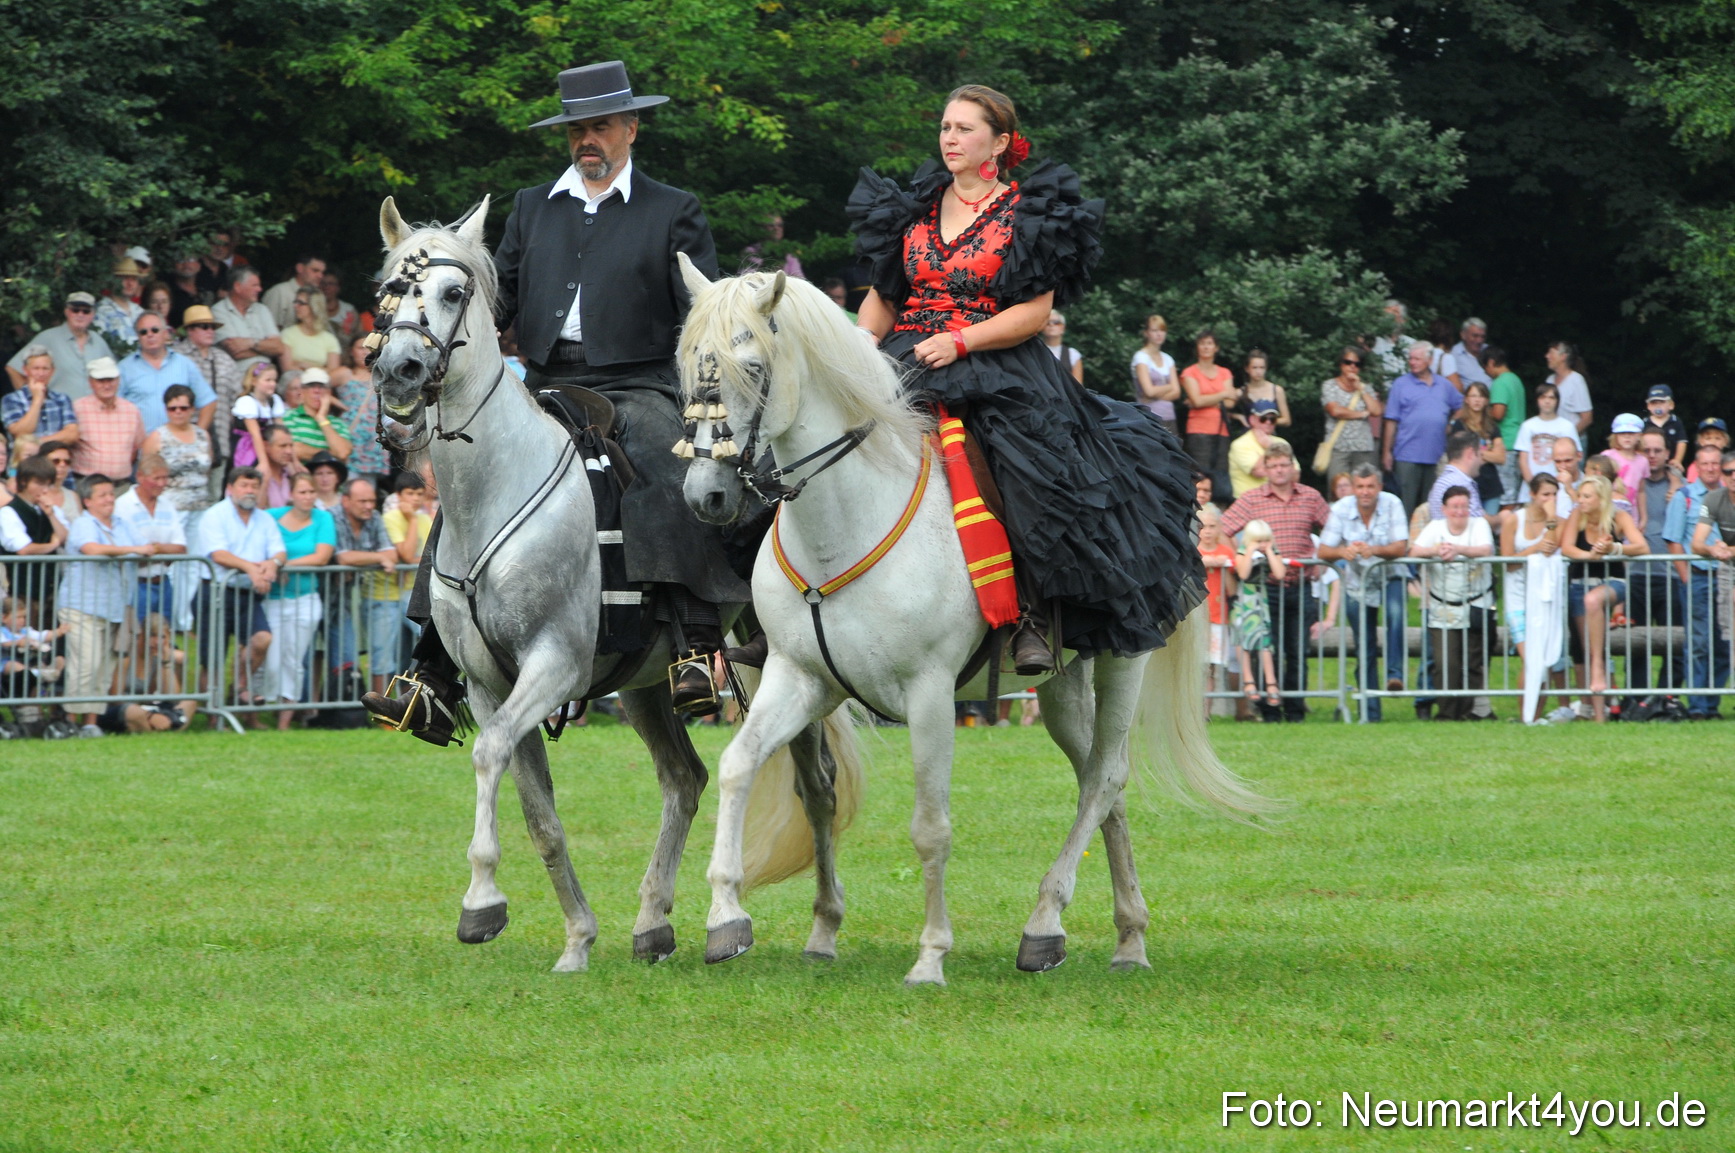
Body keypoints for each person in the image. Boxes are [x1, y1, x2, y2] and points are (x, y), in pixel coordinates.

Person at [364, 59, 752, 728]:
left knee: (663, 465)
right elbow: (496, 302)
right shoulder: (532, 205)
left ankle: (694, 642)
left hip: (639, 382)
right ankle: (431, 668)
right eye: (577, 130)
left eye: (600, 126)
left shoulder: (673, 209)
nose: (587, 140)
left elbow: (702, 312)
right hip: (545, 383)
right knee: (465, 479)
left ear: (631, 128)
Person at [847, 81, 1203, 679]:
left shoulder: (1030, 213)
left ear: (999, 143)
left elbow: (1035, 313)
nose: (950, 138)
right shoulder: (911, 207)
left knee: (1023, 465)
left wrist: (961, 340)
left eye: (964, 129)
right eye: (945, 127)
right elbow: (884, 298)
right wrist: (859, 344)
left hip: (995, 360)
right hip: (904, 354)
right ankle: (780, 615)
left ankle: (1030, 615)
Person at [1219, 442, 1329, 721]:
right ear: (1265, 470)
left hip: (1301, 585)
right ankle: (1269, 710)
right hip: (1265, 588)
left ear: (1292, 467)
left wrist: (1321, 559)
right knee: (1268, 648)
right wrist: (1240, 558)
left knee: (1298, 649)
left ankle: (1295, 709)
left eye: (1283, 465)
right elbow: (1223, 529)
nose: (1279, 470)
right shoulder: (1251, 499)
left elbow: (1332, 529)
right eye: (1273, 466)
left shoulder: (1311, 497)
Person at [1317, 463, 1411, 720]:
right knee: (1364, 643)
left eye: (1370, 486)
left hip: (1391, 575)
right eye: (1360, 486)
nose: (1365, 492)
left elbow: (1400, 547)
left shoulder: (1392, 503)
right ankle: (1370, 711)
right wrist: (1343, 551)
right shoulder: (1341, 508)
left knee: (1395, 614)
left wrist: (1374, 550)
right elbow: (1323, 550)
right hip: (1357, 582)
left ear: (1379, 487)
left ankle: (1394, 675)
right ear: (1353, 488)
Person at [59, 475, 151, 736]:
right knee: (85, 666)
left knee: (103, 669)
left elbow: (146, 548)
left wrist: (137, 549)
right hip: (82, 605)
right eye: (103, 495)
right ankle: (69, 723)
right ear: (87, 501)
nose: (110, 499)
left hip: (116, 606)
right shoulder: (83, 524)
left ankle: (90, 723)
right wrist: (132, 550)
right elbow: (92, 549)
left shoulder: (123, 524)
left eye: (111, 494)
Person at [1560, 475, 1648, 721]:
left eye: (1587, 496)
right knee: (1588, 646)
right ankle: (1600, 716)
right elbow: (1567, 547)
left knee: (1593, 600)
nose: (1581, 500)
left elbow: (1642, 547)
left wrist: (1613, 549)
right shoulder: (1577, 516)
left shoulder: (1619, 517)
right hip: (1580, 583)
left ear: (1601, 499)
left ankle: (1599, 666)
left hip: (1612, 582)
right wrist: (1589, 556)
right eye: (1580, 495)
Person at [196, 468, 284, 706]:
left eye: (254, 486)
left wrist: (273, 564)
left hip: (248, 594)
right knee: (213, 657)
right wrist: (251, 569)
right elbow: (218, 554)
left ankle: (238, 688)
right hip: (215, 592)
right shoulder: (215, 515)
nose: (250, 491)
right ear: (230, 488)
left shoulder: (265, 519)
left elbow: (279, 551)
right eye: (244, 485)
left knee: (262, 639)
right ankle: (212, 714)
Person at [1409, 486, 1494, 720]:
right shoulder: (1435, 527)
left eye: (1464, 506)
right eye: (1455, 506)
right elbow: (1414, 551)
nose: (1459, 511)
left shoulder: (1479, 524)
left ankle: (1468, 711)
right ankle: (1447, 712)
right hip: (1443, 605)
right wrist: (1436, 550)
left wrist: (1458, 549)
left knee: (1473, 661)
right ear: (1444, 509)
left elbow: (1486, 549)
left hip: (1476, 602)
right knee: (1446, 662)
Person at [265, 472, 336, 730]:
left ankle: (284, 719)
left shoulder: (323, 518)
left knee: (293, 660)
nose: (307, 497)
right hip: (272, 598)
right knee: (271, 660)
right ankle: (259, 710)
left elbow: (321, 557)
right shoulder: (271, 516)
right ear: (291, 494)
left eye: (311, 492)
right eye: (302, 492)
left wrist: (282, 565)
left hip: (305, 598)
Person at [113, 454, 188, 695]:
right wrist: (159, 551)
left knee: (163, 638)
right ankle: (130, 692)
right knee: (136, 639)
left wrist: (152, 549)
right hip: (135, 583)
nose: (162, 483)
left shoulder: (167, 505)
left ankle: (159, 692)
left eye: (165, 478)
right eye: (156, 478)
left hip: (162, 581)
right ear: (140, 477)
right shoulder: (123, 505)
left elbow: (181, 548)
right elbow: (127, 550)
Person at [1501, 473, 1573, 723]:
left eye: (1554, 495)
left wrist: (1551, 520)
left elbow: (1550, 549)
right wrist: (1532, 549)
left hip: (1545, 597)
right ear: (1532, 494)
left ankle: (1533, 716)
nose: (1550, 499)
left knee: (1542, 660)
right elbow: (1508, 561)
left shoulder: (1560, 522)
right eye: (1545, 494)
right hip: (1518, 596)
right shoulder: (1514, 520)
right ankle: (1526, 715)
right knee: (1531, 658)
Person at [1668, 441, 1730, 718]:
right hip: (1698, 577)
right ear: (1696, 466)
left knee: (1724, 644)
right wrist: (1686, 578)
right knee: (1699, 643)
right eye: (1704, 463)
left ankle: (1712, 703)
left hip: (1727, 579)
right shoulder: (1685, 496)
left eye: (1715, 463)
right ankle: (1697, 706)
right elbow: (1674, 540)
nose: (1710, 468)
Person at [1625, 428, 1685, 698]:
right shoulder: (1628, 484)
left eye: (1657, 450)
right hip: (1635, 574)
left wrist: (1678, 485)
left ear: (1668, 453)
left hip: (1670, 574)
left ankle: (1666, 699)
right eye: (1646, 450)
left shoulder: (1681, 488)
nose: (1651, 455)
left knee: (1674, 642)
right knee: (1633, 643)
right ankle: (1637, 700)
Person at [330, 478, 401, 695]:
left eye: (372, 500)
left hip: (350, 597)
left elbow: (391, 554)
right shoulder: (332, 517)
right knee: (314, 653)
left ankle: (366, 706)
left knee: (350, 652)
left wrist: (364, 559)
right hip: (324, 594)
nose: (369, 506)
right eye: (362, 501)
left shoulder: (374, 517)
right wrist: (378, 557)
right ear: (346, 500)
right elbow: (343, 557)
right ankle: (310, 708)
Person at [1382, 340, 1462, 515]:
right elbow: (1391, 420)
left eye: (1417, 359)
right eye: (1410, 358)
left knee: (1430, 508)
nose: (1412, 362)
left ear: (1430, 360)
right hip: (1407, 455)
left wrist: (1451, 424)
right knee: (1405, 507)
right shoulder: (1400, 384)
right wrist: (1386, 452)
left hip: (1435, 455)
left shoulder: (1444, 385)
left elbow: (1462, 406)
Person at [5, 292, 115, 399]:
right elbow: (13, 368)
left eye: (86, 311)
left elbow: (114, 375)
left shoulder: (98, 340)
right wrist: (31, 400)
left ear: (92, 315)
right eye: (75, 310)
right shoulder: (48, 337)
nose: (80, 315)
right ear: (66, 312)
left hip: (93, 410)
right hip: (58, 409)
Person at [119, 312, 215, 433]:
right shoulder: (124, 368)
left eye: (155, 330)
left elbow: (208, 402)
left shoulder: (184, 364)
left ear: (165, 333)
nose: (150, 335)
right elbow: (112, 408)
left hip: (179, 442)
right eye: (143, 332)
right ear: (138, 337)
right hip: (140, 443)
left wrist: (198, 436)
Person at [173, 304, 244, 466]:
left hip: (220, 441)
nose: (210, 331)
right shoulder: (176, 357)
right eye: (205, 327)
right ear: (189, 330)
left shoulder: (224, 359)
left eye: (212, 327)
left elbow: (238, 399)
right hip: (182, 444)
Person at [141, 385, 216, 522]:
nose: (178, 412)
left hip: (201, 508)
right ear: (166, 410)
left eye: (183, 408)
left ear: (192, 409)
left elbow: (207, 470)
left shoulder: (203, 436)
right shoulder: (156, 438)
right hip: (169, 510)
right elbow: (146, 476)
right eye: (172, 408)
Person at [1231, 520, 1283, 714]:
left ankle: (1271, 683)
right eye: (1258, 540)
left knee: (1265, 643)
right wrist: (1250, 551)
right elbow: (1243, 573)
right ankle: (1248, 680)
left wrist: (1269, 551)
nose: (1262, 543)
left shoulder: (1272, 550)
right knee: (1242, 641)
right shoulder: (1243, 550)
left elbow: (1280, 573)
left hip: (1261, 601)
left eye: (1265, 540)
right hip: (1243, 601)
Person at [1180, 329, 1239, 494]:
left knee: (1221, 474)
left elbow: (1230, 403)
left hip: (1221, 430)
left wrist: (1205, 399)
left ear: (1216, 348)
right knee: (1200, 474)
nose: (1206, 347)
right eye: (1202, 343)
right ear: (1197, 347)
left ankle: (1219, 507)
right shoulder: (1189, 372)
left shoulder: (1225, 372)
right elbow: (1197, 401)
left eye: (1209, 343)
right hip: (1199, 431)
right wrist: (1223, 394)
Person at [383, 473, 434, 661]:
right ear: (398, 495)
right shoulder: (390, 518)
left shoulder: (425, 519)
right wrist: (412, 520)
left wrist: (413, 560)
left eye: (419, 494)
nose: (415, 499)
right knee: (389, 652)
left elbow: (430, 556)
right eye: (410, 493)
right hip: (389, 594)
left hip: (416, 591)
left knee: (419, 645)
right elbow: (406, 554)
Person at [69, 357, 144, 482]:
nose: (107, 385)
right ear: (90, 382)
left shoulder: (131, 410)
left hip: (121, 484)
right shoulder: (77, 408)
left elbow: (136, 447)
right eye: (101, 381)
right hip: (87, 484)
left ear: (118, 380)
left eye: (111, 380)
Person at [1195, 503, 1239, 711]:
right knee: (1195, 665)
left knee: (1210, 667)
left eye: (1212, 526)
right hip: (1196, 617)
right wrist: (1207, 561)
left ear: (1219, 528)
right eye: (1203, 526)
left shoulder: (1226, 552)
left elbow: (1231, 589)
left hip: (1218, 616)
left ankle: (1205, 712)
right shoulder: (1193, 552)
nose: (1207, 531)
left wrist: (1223, 566)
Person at [332, 336, 389, 487]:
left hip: (373, 439)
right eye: (360, 348)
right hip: (350, 436)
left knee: (367, 488)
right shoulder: (344, 373)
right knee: (345, 484)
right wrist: (339, 404)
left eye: (369, 348)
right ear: (351, 351)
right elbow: (319, 389)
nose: (365, 352)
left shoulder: (381, 375)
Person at [1319, 346, 1382, 480]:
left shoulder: (1365, 387)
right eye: (1348, 362)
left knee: (1364, 486)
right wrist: (1363, 414)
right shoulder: (1329, 385)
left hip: (1363, 447)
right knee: (1338, 487)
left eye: (1357, 364)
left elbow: (1376, 411)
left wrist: (1360, 389)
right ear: (1341, 364)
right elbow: (1335, 411)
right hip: (1338, 447)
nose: (1352, 367)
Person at [213, 268, 290, 377]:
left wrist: (250, 343)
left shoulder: (262, 309)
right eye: (255, 285)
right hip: (236, 378)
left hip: (266, 377)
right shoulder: (218, 311)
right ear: (237, 286)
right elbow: (236, 352)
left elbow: (279, 348)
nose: (260, 289)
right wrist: (267, 349)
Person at [3, 346, 80, 454]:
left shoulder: (62, 399)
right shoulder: (11, 399)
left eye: (45, 369)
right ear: (25, 370)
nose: (41, 374)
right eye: (36, 368)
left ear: (52, 371)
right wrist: (37, 400)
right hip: (25, 462)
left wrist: (37, 443)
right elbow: (20, 433)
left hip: (55, 461)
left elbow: (72, 435)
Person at [1447, 381, 1506, 518]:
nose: (1477, 400)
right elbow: (1456, 457)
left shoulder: (1492, 426)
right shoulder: (1459, 426)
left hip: (1490, 486)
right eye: (1473, 396)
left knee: (1488, 526)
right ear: (1466, 400)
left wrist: (1475, 453)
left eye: (1481, 396)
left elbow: (1501, 457)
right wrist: (1489, 453)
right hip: (1466, 486)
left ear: (1486, 400)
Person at [1513, 381, 1581, 496]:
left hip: (1560, 489)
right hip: (1531, 488)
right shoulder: (1527, 426)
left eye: (1551, 397)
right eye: (1543, 397)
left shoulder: (1567, 426)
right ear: (1537, 400)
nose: (1547, 401)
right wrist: (1533, 487)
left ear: (1557, 401)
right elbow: (1523, 460)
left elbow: (1575, 458)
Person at [280, 368, 352, 464]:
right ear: (302, 391)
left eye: (322, 386)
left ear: (329, 392)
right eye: (311, 386)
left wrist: (322, 419)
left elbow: (343, 453)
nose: (317, 391)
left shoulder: (338, 423)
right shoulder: (289, 416)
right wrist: (331, 455)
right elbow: (296, 450)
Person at [1484, 346, 1525, 509]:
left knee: (1506, 495)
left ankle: (1504, 524)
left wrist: (1483, 412)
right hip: (1518, 440)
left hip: (1506, 443)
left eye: (1485, 368)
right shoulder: (1515, 379)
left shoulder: (1500, 382)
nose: (1486, 372)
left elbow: (1498, 413)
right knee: (1514, 489)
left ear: (1491, 363)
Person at [230, 361, 287, 470]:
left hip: (265, 444)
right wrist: (264, 463)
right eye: (268, 380)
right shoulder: (246, 401)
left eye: (274, 380)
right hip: (247, 447)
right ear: (254, 381)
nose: (273, 384)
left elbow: (282, 431)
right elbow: (255, 435)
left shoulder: (274, 400)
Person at [1130, 314, 1180, 434]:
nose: (1159, 334)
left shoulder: (1168, 359)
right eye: (1154, 330)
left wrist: (1153, 395)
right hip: (1149, 417)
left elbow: (1177, 392)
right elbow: (1149, 391)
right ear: (1146, 333)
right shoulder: (1141, 357)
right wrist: (1170, 386)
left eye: (1162, 330)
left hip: (1169, 417)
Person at [1227, 400, 1287, 499]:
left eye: (1272, 419)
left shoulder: (1283, 442)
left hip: (1278, 499)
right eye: (1263, 418)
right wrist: (1270, 448)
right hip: (1248, 501)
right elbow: (1259, 472)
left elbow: (1295, 476)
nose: (1268, 422)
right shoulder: (1240, 444)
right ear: (1252, 420)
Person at [281, 288, 342, 374]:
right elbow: (287, 368)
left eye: (301, 303)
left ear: (314, 306)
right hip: (295, 378)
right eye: (295, 302)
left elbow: (334, 372)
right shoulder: (288, 334)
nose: (295, 306)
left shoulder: (330, 339)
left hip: (321, 380)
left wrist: (308, 367)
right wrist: (321, 369)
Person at [262, 254, 328, 330]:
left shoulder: (319, 295)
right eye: (315, 270)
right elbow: (268, 329)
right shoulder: (279, 292)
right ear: (300, 268)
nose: (320, 276)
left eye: (322, 272)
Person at [1600, 413, 1649, 511]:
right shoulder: (1607, 456)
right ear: (1615, 436)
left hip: (1631, 512)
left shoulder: (1643, 461)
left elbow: (1641, 491)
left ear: (1639, 436)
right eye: (1622, 433)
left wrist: (1643, 516)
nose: (1627, 436)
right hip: (1607, 510)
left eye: (1631, 433)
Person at [94, 259, 146, 347]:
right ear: (114, 280)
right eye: (125, 278)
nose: (130, 284)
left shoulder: (140, 311)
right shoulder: (101, 310)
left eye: (134, 279)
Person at [1545, 341, 1594, 435]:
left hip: (1572, 440)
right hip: (1552, 438)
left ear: (1563, 356)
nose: (1547, 356)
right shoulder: (1549, 380)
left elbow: (1587, 418)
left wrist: (1569, 437)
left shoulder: (1576, 381)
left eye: (1551, 353)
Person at [1240, 349, 1290, 429]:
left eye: (1262, 368)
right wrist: (1238, 416)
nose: (1258, 371)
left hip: (1269, 432)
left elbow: (1286, 420)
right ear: (1247, 369)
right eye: (1254, 368)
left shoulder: (1277, 390)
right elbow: (1224, 408)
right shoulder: (1241, 392)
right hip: (1249, 433)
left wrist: (1266, 421)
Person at [260, 426, 305, 510]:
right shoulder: (255, 477)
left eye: (291, 446)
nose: (289, 451)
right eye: (282, 446)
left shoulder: (292, 475)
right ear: (266, 446)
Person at [1643, 385, 1687, 469]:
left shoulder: (1675, 421)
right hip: (1649, 464)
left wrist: (1677, 460)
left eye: (1661, 402)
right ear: (1648, 406)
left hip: (1671, 464)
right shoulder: (1644, 423)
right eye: (1654, 403)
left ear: (1671, 405)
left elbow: (1681, 442)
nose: (1658, 406)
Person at [196, 230, 246, 299]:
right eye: (214, 243)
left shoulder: (226, 270)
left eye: (225, 245)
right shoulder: (193, 268)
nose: (220, 248)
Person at [1041, 309, 1084, 384]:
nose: (1051, 325)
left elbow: (1078, 385)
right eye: (1047, 323)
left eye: (1056, 322)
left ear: (1063, 328)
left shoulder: (1073, 354)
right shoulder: (1034, 352)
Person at [1449, 317, 1492, 391]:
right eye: (1475, 336)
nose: (1479, 340)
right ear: (1463, 335)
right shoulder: (1454, 354)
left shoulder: (1489, 351)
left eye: (1482, 337)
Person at [322, 271, 364, 344]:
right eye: (323, 283)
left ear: (338, 287)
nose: (326, 287)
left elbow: (359, 336)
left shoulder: (349, 310)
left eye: (331, 284)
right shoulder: (312, 309)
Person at [1687, 418, 1728, 483]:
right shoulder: (1695, 466)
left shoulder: (1730, 464)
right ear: (1700, 441)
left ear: (1725, 441)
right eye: (1708, 438)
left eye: (1717, 438)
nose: (1713, 442)